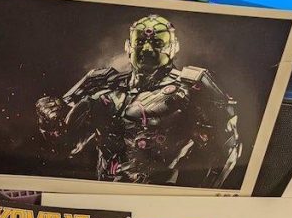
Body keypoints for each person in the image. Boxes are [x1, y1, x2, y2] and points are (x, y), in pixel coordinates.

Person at [36, 14, 241, 187]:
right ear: (129, 46)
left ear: (173, 47)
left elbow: (226, 147)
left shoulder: (191, 86)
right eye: (140, 42)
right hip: (104, 191)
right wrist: (48, 117)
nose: (147, 49)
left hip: (159, 196)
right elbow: (64, 142)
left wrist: (194, 197)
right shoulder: (100, 82)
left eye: (157, 43)